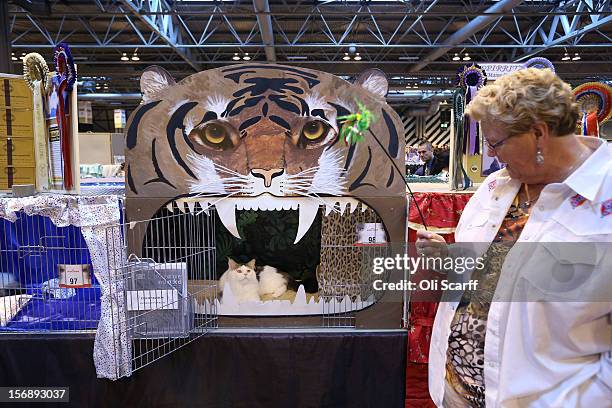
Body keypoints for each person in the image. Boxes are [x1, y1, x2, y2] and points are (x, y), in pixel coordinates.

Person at [416, 68, 611, 407]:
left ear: (538, 134)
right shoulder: (496, 187)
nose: (491, 155)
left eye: (495, 143)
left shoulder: (603, 199)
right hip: (455, 391)